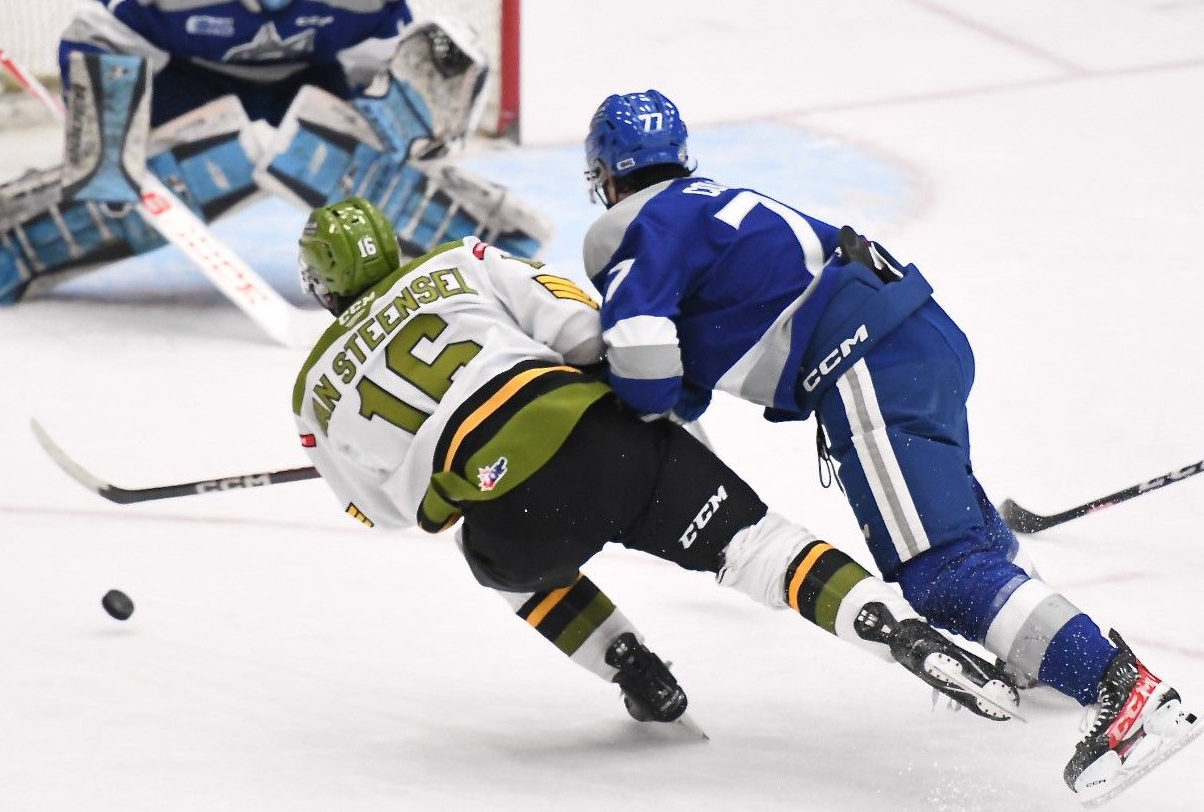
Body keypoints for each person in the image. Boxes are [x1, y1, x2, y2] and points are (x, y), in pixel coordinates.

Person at [579, 89, 1200, 801]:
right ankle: (1044, 654)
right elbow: (694, 361)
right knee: (958, 534)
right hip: (918, 334)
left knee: (938, 570)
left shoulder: (632, 228)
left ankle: (1127, 695)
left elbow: (645, 369)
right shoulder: (706, 205)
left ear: (608, 176)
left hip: (865, 360)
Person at [290, 195, 1022, 734]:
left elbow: (391, 512)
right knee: (758, 547)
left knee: (506, 569)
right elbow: (582, 332)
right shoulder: (460, 260)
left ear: (321, 284)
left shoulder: (312, 393)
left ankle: (631, 668)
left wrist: (448, 471)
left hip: (516, 520)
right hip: (605, 444)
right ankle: (893, 629)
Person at [0, 0, 546, 307]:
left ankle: (493, 246)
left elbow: (386, 71)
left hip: (308, 82)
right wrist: (105, 143)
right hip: (196, 86)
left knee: (354, 166)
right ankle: (4, 249)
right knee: (158, 181)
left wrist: (400, 134)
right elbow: (94, 32)